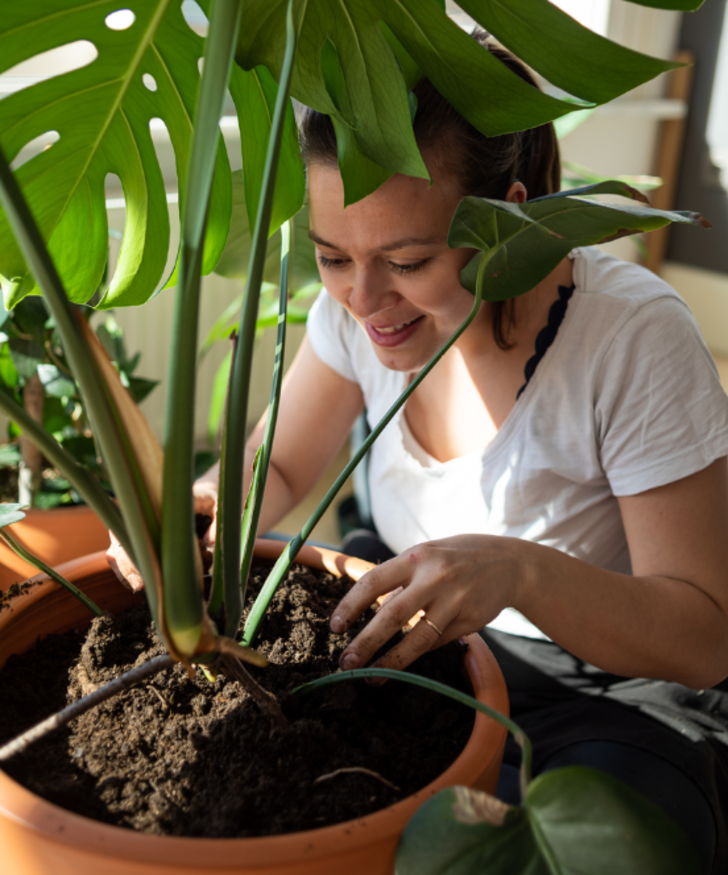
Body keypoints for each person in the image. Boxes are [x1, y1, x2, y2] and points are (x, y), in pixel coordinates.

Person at [109, 38, 728, 873]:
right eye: (332, 258)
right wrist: (194, 513)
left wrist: (520, 572)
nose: (364, 301)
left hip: (600, 692)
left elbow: (702, 634)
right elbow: (278, 469)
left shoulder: (630, 338)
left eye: (407, 261)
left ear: (507, 213)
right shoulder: (361, 316)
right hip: (417, 638)